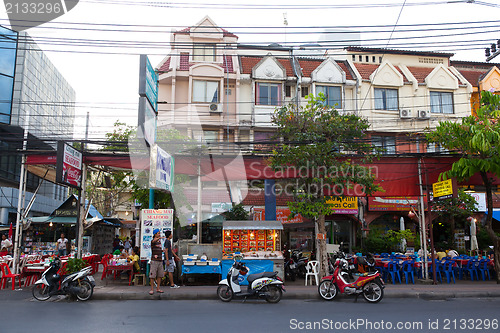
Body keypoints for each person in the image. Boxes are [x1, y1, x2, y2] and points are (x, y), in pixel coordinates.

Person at [149, 229, 165, 295]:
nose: (159, 234)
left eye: (159, 233)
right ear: (155, 234)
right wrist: (159, 238)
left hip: (160, 260)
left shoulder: (159, 242)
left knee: (160, 275)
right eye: (158, 233)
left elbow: (158, 249)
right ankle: (152, 289)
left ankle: (158, 288)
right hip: (154, 260)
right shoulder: (153, 241)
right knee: (152, 275)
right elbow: (153, 241)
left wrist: (162, 251)